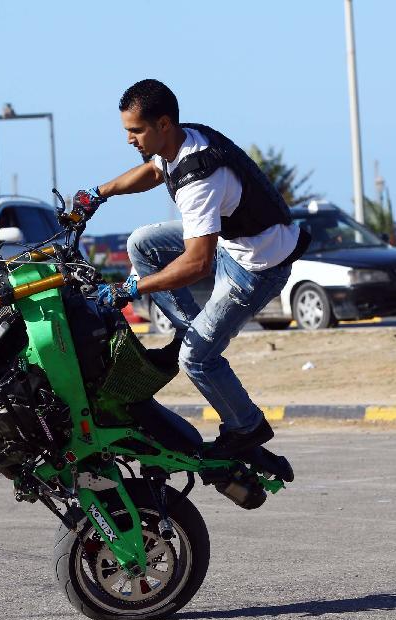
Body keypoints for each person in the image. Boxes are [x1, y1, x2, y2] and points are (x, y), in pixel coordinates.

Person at [71, 79, 308, 457]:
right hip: (237, 241)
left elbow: (197, 264)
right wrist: (99, 194)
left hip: (256, 267)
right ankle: (189, 329)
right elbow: (153, 172)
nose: (129, 139)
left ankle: (247, 427)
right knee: (142, 244)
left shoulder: (200, 179)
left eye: (135, 131)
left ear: (163, 124)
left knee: (196, 358)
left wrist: (131, 289)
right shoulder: (181, 141)